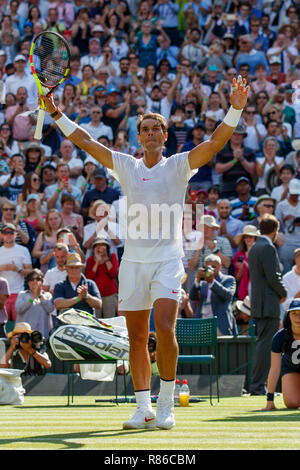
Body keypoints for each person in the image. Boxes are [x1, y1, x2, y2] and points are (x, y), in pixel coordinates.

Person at [40, 75, 248, 429]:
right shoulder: (127, 165)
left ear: (165, 136)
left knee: (165, 329)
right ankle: (143, 407)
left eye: (156, 128)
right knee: (136, 337)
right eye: (145, 128)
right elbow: (86, 141)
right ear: (140, 136)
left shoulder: (179, 164)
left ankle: (166, 404)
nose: (151, 132)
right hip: (133, 264)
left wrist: (236, 108)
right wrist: (56, 113)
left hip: (167, 261)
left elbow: (214, 143)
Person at [248, 214, 287, 395]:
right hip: (268, 304)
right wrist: (283, 292)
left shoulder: (255, 247)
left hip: (259, 304)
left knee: (262, 344)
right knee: (265, 346)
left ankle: (258, 385)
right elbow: (273, 277)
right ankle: (257, 386)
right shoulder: (268, 248)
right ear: (275, 231)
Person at [262, 300, 300, 411]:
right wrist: (270, 400)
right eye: (294, 314)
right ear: (288, 315)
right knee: (292, 403)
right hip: (290, 368)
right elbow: (275, 368)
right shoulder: (280, 336)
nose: (298, 318)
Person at [190, 254, 238, 335]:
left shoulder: (228, 279)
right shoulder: (202, 281)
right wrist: (197, 281)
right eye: (208, 267)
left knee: (221, 348)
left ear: (220, 266)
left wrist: (212, 282)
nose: (211, 269)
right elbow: (192, 297)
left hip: (220, 325)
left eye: (213, 267)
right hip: (203, 324)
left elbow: (228, 296)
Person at [0, 223, 32, 322]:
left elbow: (30, 272)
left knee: (19, 329)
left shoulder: (23, 250)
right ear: (1, 235)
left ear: (16, 234)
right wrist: (2, 267)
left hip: (18, 294)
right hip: (1, 295)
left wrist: (17, 269)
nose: (8, 235)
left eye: (11, 232)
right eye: (5, 232)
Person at [15, 269, 54, 339]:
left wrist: (40, 296)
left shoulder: (47, 295)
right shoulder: (22, 294)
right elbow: (18, 309)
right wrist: (32, 297)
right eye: (32, 279)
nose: (35, 281)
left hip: (42, 336)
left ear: (42, 282)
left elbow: (50, 309)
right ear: (28, 282)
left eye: (38, 279)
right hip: (25, 338)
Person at [85, 238, 119, 319]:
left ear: (107, 247)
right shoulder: (90, 260)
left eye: (102, 245)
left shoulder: (112, 257)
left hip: (110, 294)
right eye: (98, 245)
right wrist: (97, 262)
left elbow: (113, 274)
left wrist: (106, 259)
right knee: (96, 320)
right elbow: (89, 277)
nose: (100, 247)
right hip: (95, 295)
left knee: (110, 320)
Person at [233, 225, 260, 300]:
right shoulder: (239, 254)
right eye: (245, 237)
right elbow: (237, 279)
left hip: (256, 290)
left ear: (255, 238)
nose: (248, 239)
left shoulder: (260, 254)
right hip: (242, 291)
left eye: (250, 236)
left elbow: (260, 274)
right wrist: (241, 269)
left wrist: (247, 265)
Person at [281, 248, 300, 313]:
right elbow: (285, 305)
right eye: (298, 256)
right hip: (293, 316)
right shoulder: (286, 279)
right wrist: (297, 296)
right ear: (295, 259)